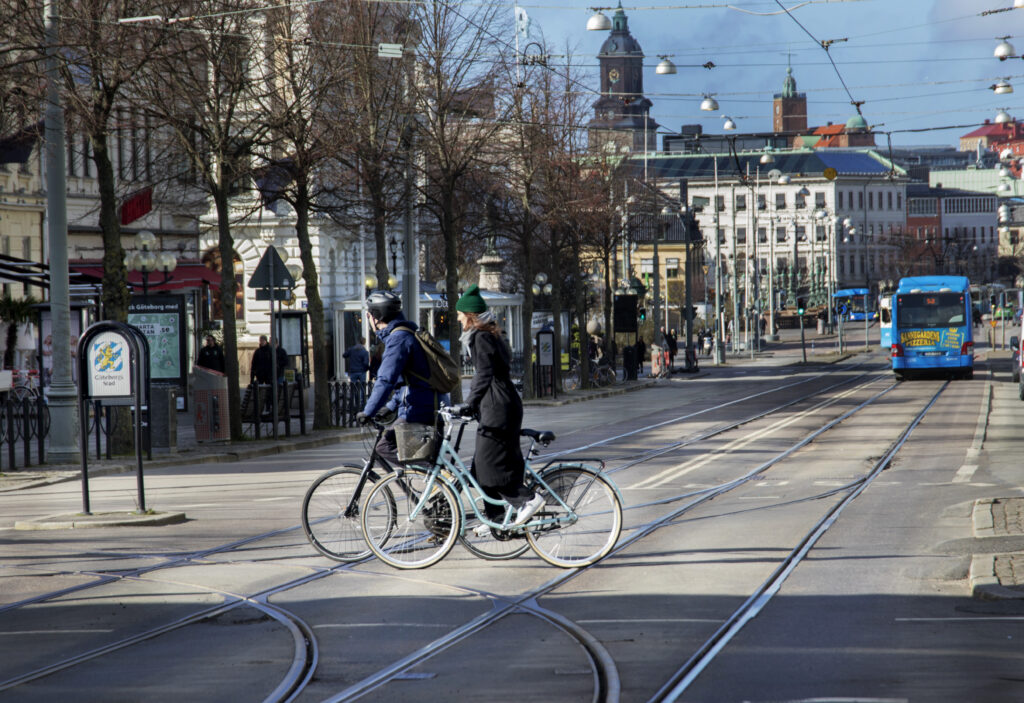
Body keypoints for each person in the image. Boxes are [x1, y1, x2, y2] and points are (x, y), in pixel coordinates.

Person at [455, 284, 543, 535]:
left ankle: (526, 500)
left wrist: (469, 403)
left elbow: (484, 373)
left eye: (460, 314)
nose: (458, 318)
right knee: (479, 468)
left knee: (490, 466)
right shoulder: (491, 334)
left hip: (498, 407)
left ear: (470, 316)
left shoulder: (480, 337)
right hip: (501, 404)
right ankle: (496, 516)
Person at [355, 290, 439, 468]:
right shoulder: (407, 332)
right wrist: (391, 407)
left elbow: (386, 380)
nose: (368, 319)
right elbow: (408, 382)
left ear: (376, 316)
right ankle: (436, 477)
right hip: (426, 403)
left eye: (369, 314)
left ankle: (438, 476)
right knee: (418, 456)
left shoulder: (398, 339)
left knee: (384, 447)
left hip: (418, 408)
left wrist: (368, 412)